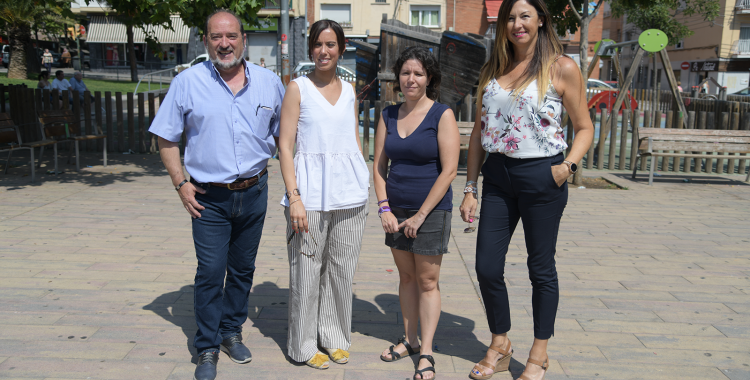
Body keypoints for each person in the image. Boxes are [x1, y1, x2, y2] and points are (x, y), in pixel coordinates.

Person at [460, 1, 594, 379]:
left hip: (542, 176)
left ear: (540, 21)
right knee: (486, 266)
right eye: (510, 18)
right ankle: (500, 342)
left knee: (541, 268)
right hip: (499, 177)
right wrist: (470, 186)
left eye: (525, 16)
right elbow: (478, 135)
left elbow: (584, 127)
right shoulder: (494, 69)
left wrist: (566, 168)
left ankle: (539, 352)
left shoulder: (561, 67)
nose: (517, 24)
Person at [148, 9, 284, 380]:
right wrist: (180, 184)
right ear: (206, 40)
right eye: (216, 37)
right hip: (208, 197)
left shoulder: (270, 83)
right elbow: (165, 136)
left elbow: (283, 135)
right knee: (210, 273)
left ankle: (230, 331)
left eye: (231, 36)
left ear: (243, 39)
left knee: (242, 270)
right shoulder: (187, 82)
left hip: (254, 191)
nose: (224, 44)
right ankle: (206, 346)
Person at [278, 19, 370, 370]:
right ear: (310, 48)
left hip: (350, 195)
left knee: (341, 268)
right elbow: (285, 148)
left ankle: (334, 336)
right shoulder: (297, 88)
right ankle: (302, 344)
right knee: (305, 268)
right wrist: (295, 197)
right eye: (318, 44)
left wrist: (363, 179)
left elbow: (353, 140)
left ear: (341, 48)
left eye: (331, 44)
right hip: (309, 196)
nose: (324, 51)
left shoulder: (350, 90)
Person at [374, 46, 459, 380]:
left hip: (431, 212)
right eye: (406, 73)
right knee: (406, 278)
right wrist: (384, 208)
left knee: (427, 281)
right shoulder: (388, 115)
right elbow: (379, 166)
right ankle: (409, 341)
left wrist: (421, 215)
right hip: (395, 211)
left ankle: (426, 352)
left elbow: (450, 171)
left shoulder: (442, 115)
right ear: (398, 77)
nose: (411, 79)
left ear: (429, 78)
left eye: (418, 73)